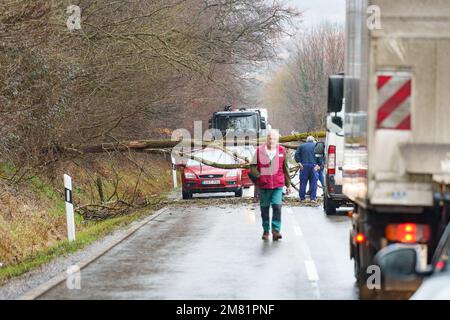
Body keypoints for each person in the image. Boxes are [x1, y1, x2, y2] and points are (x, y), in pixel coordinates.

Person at [250, 130, 291, 241]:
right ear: (266, 139)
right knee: (265, 209)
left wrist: (288, 185)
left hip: (278, 185)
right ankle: (266, 230)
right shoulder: (259, 151)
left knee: (277, 207)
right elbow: (252, 167)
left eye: (273, 138)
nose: (271, 140)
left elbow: (285, 168)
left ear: (277, 140)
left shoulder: (282, 150)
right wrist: (259, 176)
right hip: (264, 186)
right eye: (269, 138)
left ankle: (276, 231)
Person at [294, 136, 321, 202]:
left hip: (304, 166)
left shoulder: (301, 146)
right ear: (313, 140)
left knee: (303, 183)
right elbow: (320, 156)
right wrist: (318, 164)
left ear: (307, 140)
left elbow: (296, 155)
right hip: (313, 166)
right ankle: (312, 198)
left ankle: (302, 198)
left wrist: (299, 162)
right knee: (313, 183)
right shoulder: (316, 146)